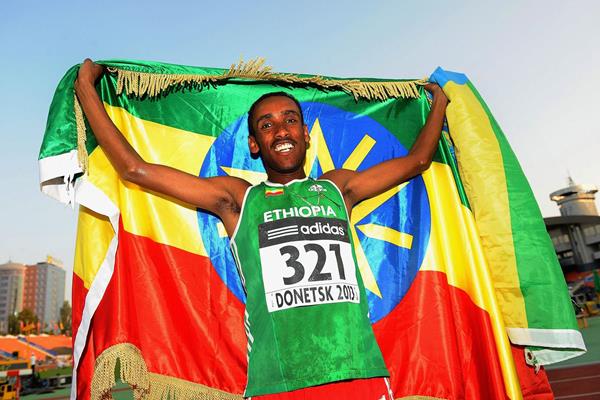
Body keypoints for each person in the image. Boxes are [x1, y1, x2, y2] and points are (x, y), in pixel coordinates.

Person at [75, 59, 448, 400]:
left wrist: (439, 105)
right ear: (254, 144)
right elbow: (135, 170)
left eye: (289, 120)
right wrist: (87, 90)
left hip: (359, 375)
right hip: (278, 383)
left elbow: (417, 160)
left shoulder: (338, 188)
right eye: (266, 125)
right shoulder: (238, 198)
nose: (280, 130)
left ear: (305, 134)